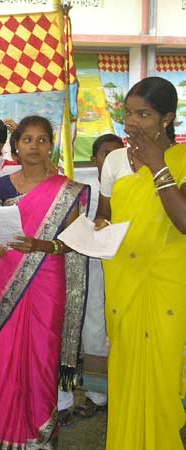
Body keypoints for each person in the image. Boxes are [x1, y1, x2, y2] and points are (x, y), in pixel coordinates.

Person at [0, 116, 89, 450]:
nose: (35, 146)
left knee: (41, 356)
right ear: (16, 145)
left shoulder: (66, 190)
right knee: (5, 356)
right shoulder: (2, 187)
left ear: (50, 146)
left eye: (42, 140)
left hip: (48, 280)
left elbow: (72, 242)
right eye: (27, 139)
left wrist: (40, 245)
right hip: (6, 276)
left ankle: (38, 435)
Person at [95, 76, 186, 450]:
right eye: (128, 112)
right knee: (127, 366)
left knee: (162, 371)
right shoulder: (115, 160)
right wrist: (98, 229)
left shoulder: (182, 161)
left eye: (143, 114)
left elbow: (184, 221)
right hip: (124, 278)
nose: (131, 122)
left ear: (167, 118)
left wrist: (157, 165)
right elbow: (105, 215)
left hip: (166, 282)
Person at [57, 133, 123, 424]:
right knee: (92, 326)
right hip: (90, 265)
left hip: (124, 265)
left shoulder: (130, 184)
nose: (110, 159)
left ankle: (118, 391)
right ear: (94, 157)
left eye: (116, 153)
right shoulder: (83, 188)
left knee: (118, 327)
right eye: (105, 153)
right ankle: (96, 395)